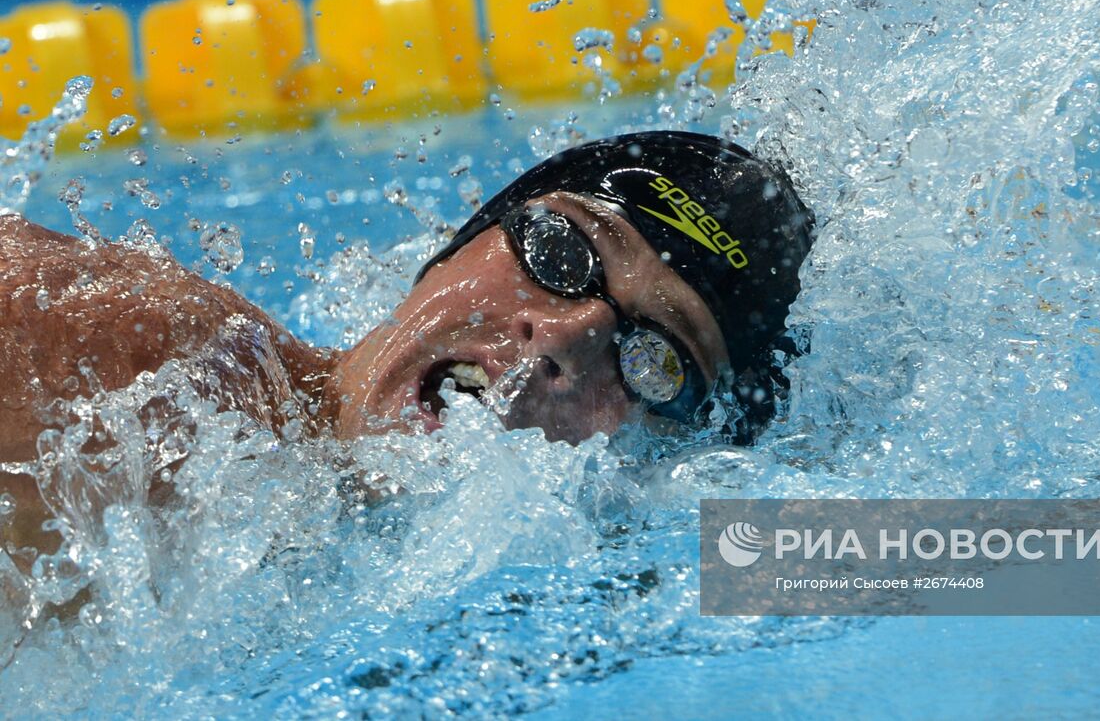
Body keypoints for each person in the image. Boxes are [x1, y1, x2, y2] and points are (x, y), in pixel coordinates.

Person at [0, 131, 814, 559]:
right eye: (560, 255)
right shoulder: (138, 374)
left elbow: (923, 560)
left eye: (654, 360)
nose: (567, 334)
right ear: (459, 242)